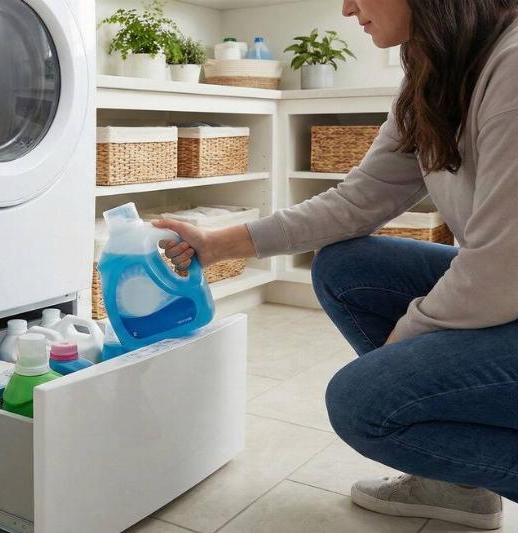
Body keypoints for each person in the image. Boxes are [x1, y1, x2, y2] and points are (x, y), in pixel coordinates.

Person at [155, 0, 518, 529]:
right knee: (349, 267)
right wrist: (216, 244)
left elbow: (502, 266)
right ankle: (455, 486)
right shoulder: (437, 73)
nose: (347, 8)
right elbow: (357, 202)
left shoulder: (512, 71)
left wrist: (408, 337)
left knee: (364, 402)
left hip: (508, 281)